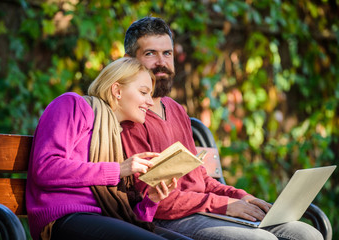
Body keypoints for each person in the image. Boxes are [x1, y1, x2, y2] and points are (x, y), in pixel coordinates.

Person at [120, 17, 324, 240]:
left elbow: (200, 180)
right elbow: (155, 199)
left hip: (204, 209)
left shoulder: (177, 110)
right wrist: (223, 205)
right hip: (169, 219)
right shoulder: (131, 117)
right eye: (150, 53)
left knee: (306, 234)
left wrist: (240, 197)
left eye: (167, 53)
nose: (162, 62)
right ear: (128, 60)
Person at [26, 57, 183, 240]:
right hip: (64, 218)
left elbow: (130, 220)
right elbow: (45, 168)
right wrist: (118, 170)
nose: (150, 101)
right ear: (117, 90)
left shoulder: (118, 135)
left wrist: (151, 200)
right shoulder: (72, 105)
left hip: (106, 219)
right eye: (143, 92)